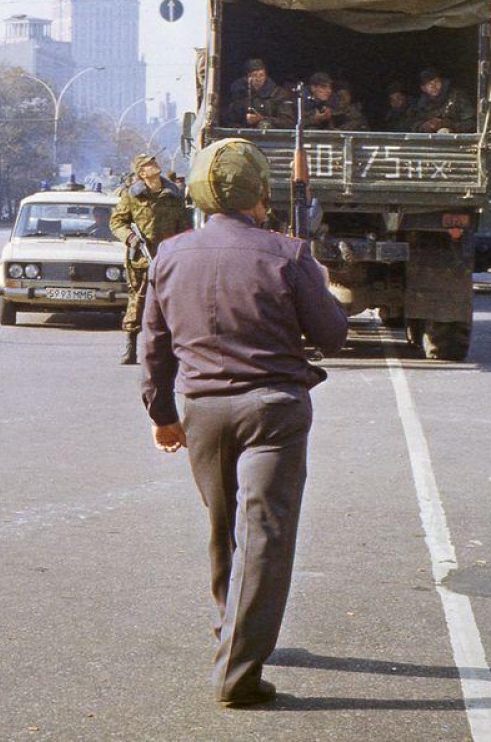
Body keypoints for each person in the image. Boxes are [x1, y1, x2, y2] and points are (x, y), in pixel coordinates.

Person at [141, 138, 348, 708]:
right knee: (265, 536)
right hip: (272, 411)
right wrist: (323, 281)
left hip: (201, 411)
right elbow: (332, 335)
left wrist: (162, 416)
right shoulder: (289, 253)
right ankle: (237, 673)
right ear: (260, 192)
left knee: (224, 526)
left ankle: (231, 627)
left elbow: (152, 347)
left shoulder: (169, 253)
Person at [110, 154, 190, 365]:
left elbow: (184, 225)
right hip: (141, 260)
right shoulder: (133, 195)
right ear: (141, 173)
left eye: (153, 162)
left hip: (167, 259)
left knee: (170, 303)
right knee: (138, 300)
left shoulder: (173, 193)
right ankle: (130, 346)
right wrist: (131, 237)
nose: (153, 165)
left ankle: (168, 349)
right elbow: (117, 222)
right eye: (147, 164)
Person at [228, 58, 295, 129]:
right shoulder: (240, 92)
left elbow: (288, 122)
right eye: (254, 75)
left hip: (271, 136)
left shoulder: (278, 94)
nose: (258, 79)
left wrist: (262, 119)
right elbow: (229, 118)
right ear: (247, 78)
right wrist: (244, 119)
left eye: (261, 75)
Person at [410, 67, 475, 133]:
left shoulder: (457, 97)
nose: (434, 87)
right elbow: (411, 124)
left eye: (436, 82)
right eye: (429, 84)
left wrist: (450, 126)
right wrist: (424, 127)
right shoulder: (421, 104)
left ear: (442, 82)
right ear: (423, 88)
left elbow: (472, 123)